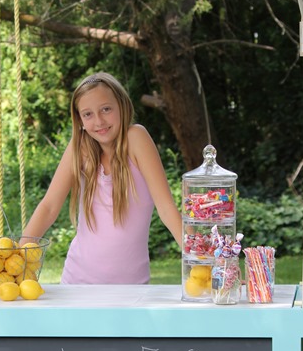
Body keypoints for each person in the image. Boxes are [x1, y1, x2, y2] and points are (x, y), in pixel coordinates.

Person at [21, 71, 183, 284]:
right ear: (80, 120)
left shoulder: (136, 138)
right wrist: (17, 257)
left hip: (130, 288)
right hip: (76, 283)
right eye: (87, 114)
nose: (99, 121)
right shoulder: (79, 148)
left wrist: (199, 257)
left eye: (106, 109)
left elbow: (166, 208)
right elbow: (49, 206)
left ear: (122, 106)